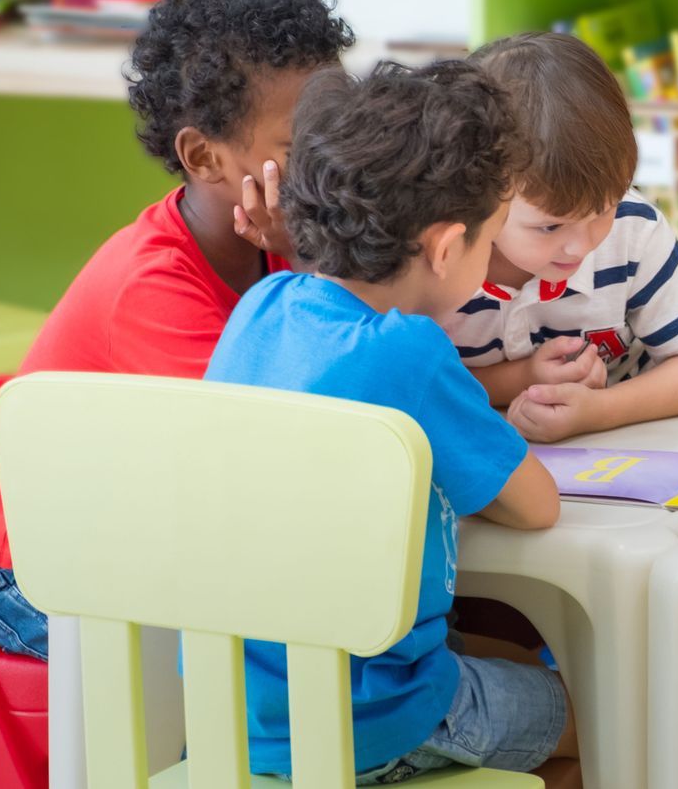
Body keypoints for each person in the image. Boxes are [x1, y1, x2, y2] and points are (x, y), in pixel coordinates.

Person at [206, 59, 579, 784]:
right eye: (491, 236)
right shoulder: (406, 351)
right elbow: (537, 506)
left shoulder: (265, 303)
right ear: (445, 248)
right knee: (602, 715)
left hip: (241, 709)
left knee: (500, 662)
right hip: (369, 719)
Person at [0, 0, 352, 659]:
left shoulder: (282, 245)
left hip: (153, 532)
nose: (338, 163)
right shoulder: (153, 286)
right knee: (304, 641)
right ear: (204, 157)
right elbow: (289, 447)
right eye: (301, 149)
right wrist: (315, 259)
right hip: (35, 575)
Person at [443, 32, 678, 442]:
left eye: (603, 210)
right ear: (478, 191)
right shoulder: (438, 256)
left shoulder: (632, 227)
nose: (582, 246)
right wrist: (518, 379)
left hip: (621, 456)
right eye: (550, 226)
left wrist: (599, 411)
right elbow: (401, 386)